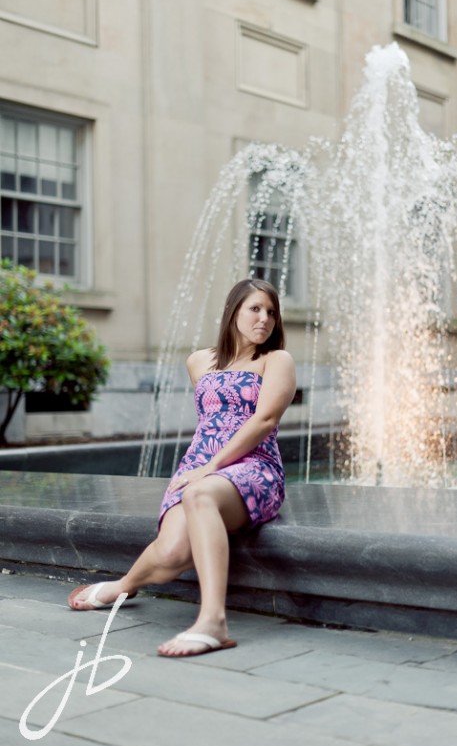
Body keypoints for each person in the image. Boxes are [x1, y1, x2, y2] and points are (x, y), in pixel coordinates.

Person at [67, 278, 296, 659]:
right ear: (233, 311)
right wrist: (201, 467)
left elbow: (264, 420)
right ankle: (124, 586)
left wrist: (212, 467)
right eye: (255, 308)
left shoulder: (276, 360)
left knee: (201, 492)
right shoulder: (199, 360)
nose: (265, 318)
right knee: (172, 553)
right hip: (198, 464)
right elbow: (210, 420)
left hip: (253, 467)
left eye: (271, 312)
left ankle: (213, 622)